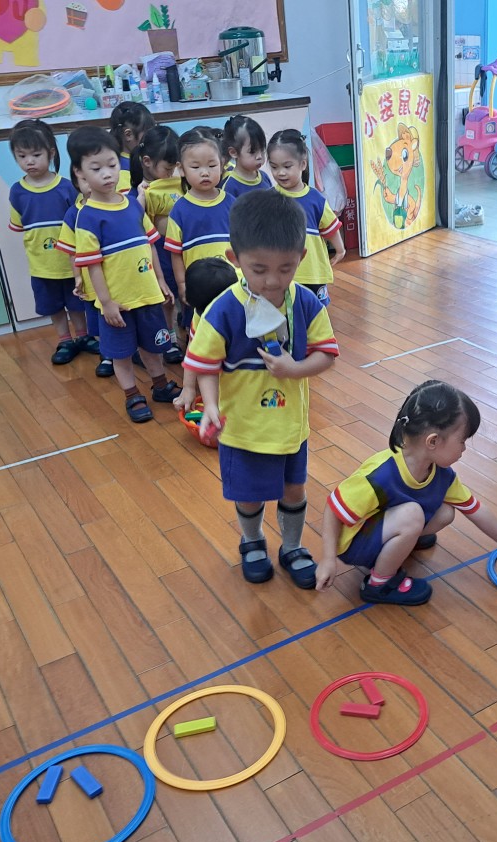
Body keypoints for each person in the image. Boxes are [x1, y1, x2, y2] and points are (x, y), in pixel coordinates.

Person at [184, 189, 339, 587]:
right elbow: (204, 364)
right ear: (234, 259)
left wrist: (295, 368)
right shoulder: (223, 308)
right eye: (259, 269)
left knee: (294, 489)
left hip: (290, 427)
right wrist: (211, 405)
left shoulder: (306, 303)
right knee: (249, 494)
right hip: (242, 427)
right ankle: (252, 541)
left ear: (301, 257)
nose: (273, 280)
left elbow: (327, 354)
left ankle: (292, 546)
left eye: (286, 268)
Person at [315, 380, 497, 605]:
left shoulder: (441, 474)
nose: (464, 448)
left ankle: (401, 542)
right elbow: (333, 510)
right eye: (462, 441)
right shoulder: (380, 475)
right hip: (356, 545)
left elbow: (475, 509)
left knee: (446, 512)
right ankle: (379, 584)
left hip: (380, 528)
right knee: (412, 514)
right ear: (433, 441)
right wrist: (328, 559)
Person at [69, 127, 181, 423]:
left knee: (153, 346)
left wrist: (160, 281)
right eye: (96, 168)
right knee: (121, 353)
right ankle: (132, 394)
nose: (107, 174)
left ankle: (160, 385)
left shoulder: (133, 205)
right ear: (80, 173)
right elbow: (92, 265)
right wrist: (106, 303)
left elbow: (151, 245)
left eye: (111, 165)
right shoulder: (87, 216)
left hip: (147, 295)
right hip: (118, 304)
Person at [7, 118, 92, 364]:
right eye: (22, 156)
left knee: (77, 302)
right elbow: (18, 225)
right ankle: (65, 340)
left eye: (36, 155)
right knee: (53, 306)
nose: (29, 161)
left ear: (51, 153)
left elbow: (80, 222)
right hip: (42, 266)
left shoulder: (66, 188)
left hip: (71, 264)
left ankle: (83, 336)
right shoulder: (17, 192)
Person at [267, 129, 345, 307]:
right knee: (285, 314)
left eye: (287, 166)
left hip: (313, 272)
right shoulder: (269, 199)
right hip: (281, 275)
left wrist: (340, 250)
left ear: (303, 164)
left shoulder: (315, 199)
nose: (280, 173)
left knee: (315, 314)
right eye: (274, 167)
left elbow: (330, 227)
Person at [130, 125, 185, 365]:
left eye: (175, 168)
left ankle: (184, 331)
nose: (172, 173)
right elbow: (135, 223)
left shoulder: (178, 183)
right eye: (168, 168)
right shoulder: (141, 191)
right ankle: (168, 338)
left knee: (183, 292)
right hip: (158, 250)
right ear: (147, 162)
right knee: (165, 297)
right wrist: (141, 199)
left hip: (181, 248)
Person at [165, 127, 238, 305]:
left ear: (222, 164)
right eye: (196, 167)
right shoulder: (180, 210)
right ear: (181, 169)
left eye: (212, 166)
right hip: (198, 288)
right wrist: (182, 284)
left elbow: (243, 244)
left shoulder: (232, 203)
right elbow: (176, 254)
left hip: (233, 284)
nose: (205, 172)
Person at [55, 163, 114, 378]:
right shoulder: (74, 214)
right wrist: (78, 276)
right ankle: (107, 355)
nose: (90, 184)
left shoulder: (118, 206)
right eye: (84, 180)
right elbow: (72, 251)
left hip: (117, 277)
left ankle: (130, 351)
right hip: (92, 279)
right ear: (77, 183)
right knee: (99, 318)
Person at [173, 256, 241, 415]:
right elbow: (195, 349)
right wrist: (188, 387)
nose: (212, 318)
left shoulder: (249, 294)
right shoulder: (203, 315)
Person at [222, 114, 272, 199]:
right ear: (234, 152)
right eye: (252, 151)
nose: (259, 156)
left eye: (262, 149)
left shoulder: (264, 177)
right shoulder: (230, 186)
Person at [109, 101, 155, 193]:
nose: (152, 137)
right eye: (147, 133)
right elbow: (128, 199)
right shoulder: (121, 171)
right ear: (128, 135)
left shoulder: (142, 156)